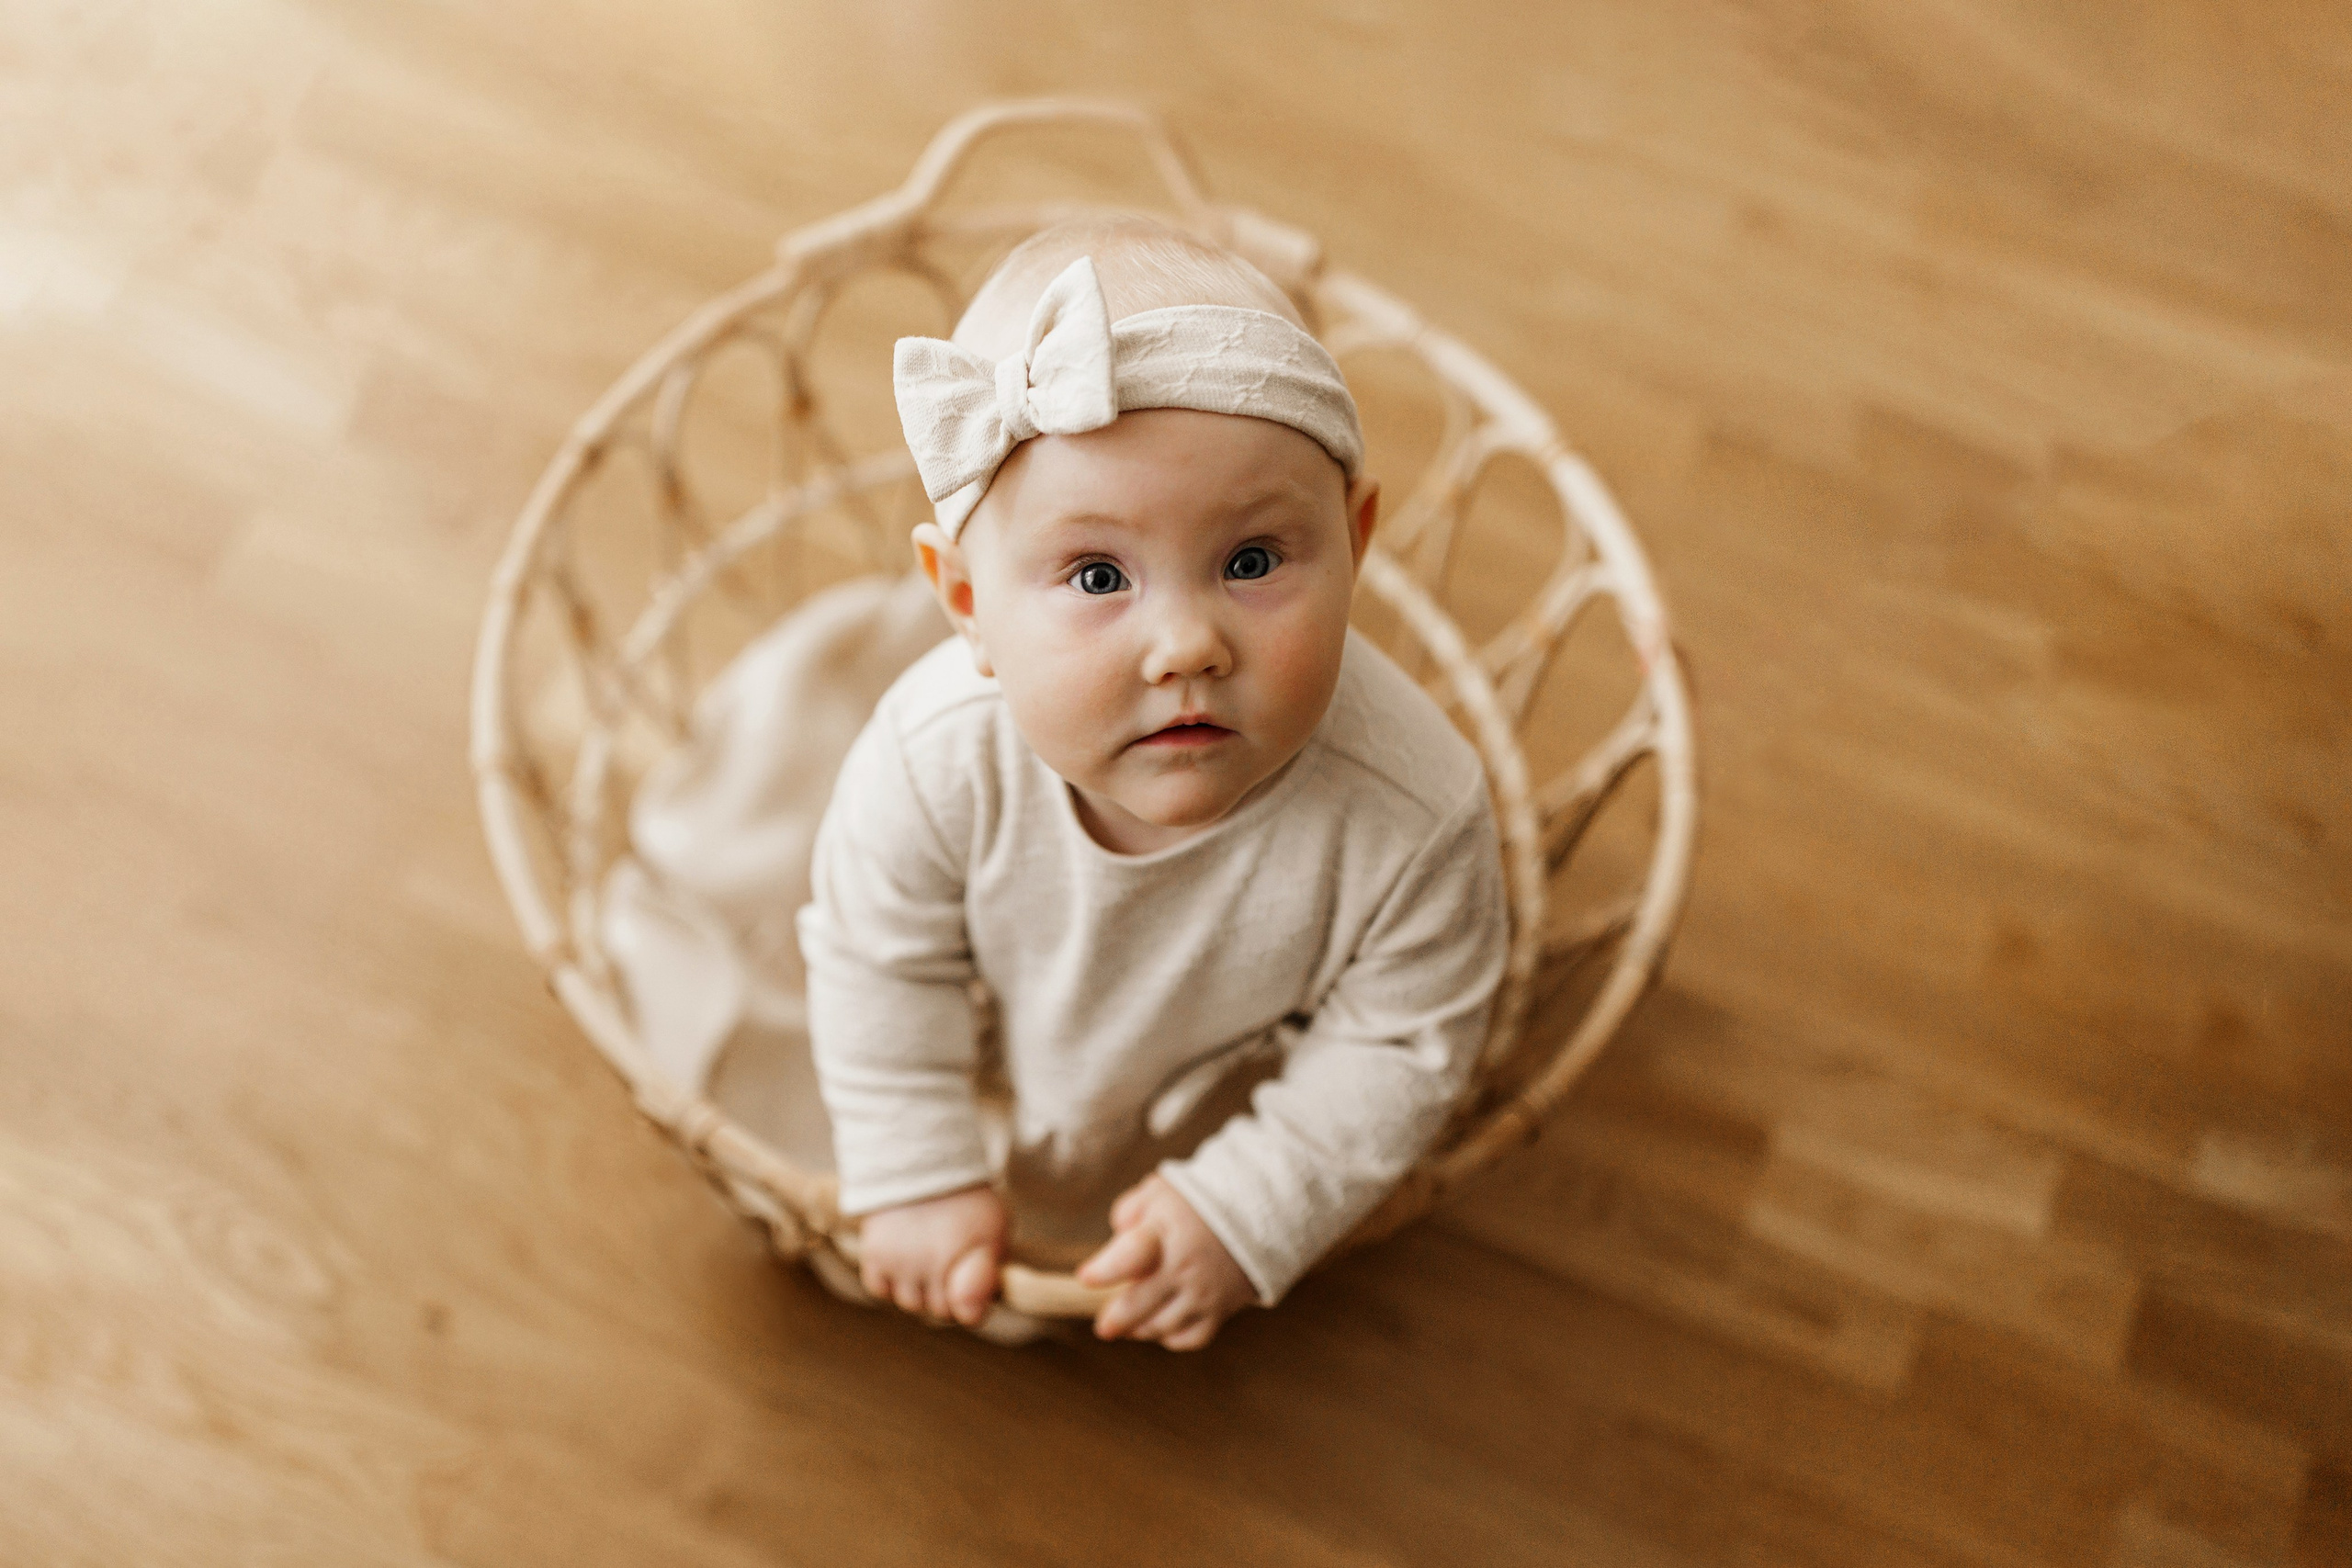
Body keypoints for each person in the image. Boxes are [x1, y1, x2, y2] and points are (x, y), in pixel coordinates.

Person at [797, 216, 1507, 1349]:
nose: (1187, 645)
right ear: (968, 603)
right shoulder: (932, 760)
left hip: (1225, 1099)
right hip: (986, 1047)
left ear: (1355, 541)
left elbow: (1406, 1040)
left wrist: (1250, 1203)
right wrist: (918, 1165)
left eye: (1251, 562)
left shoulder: (1413, 815)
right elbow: (876, 956)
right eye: (1096, 575)